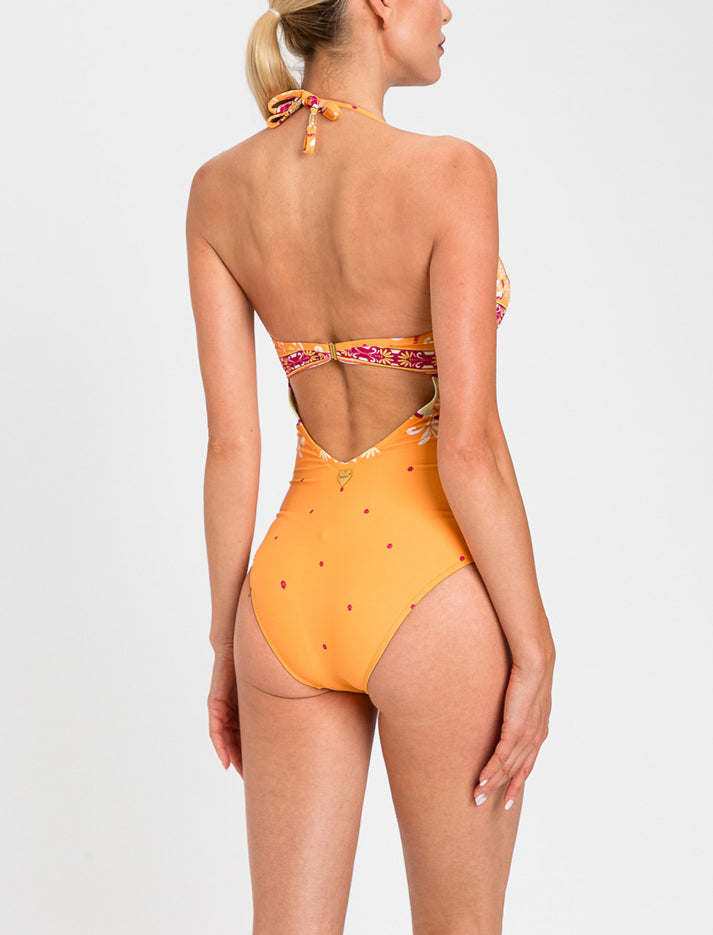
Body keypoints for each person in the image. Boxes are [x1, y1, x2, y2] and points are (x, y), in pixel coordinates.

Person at [185, 1, 555, 931]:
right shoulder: (451, 172)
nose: (447, 10)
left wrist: (227, 645)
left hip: (282, 601)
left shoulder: (218, 188)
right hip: (428, 592)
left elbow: (231, 444)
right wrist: (535, 644)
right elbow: (469, 444)